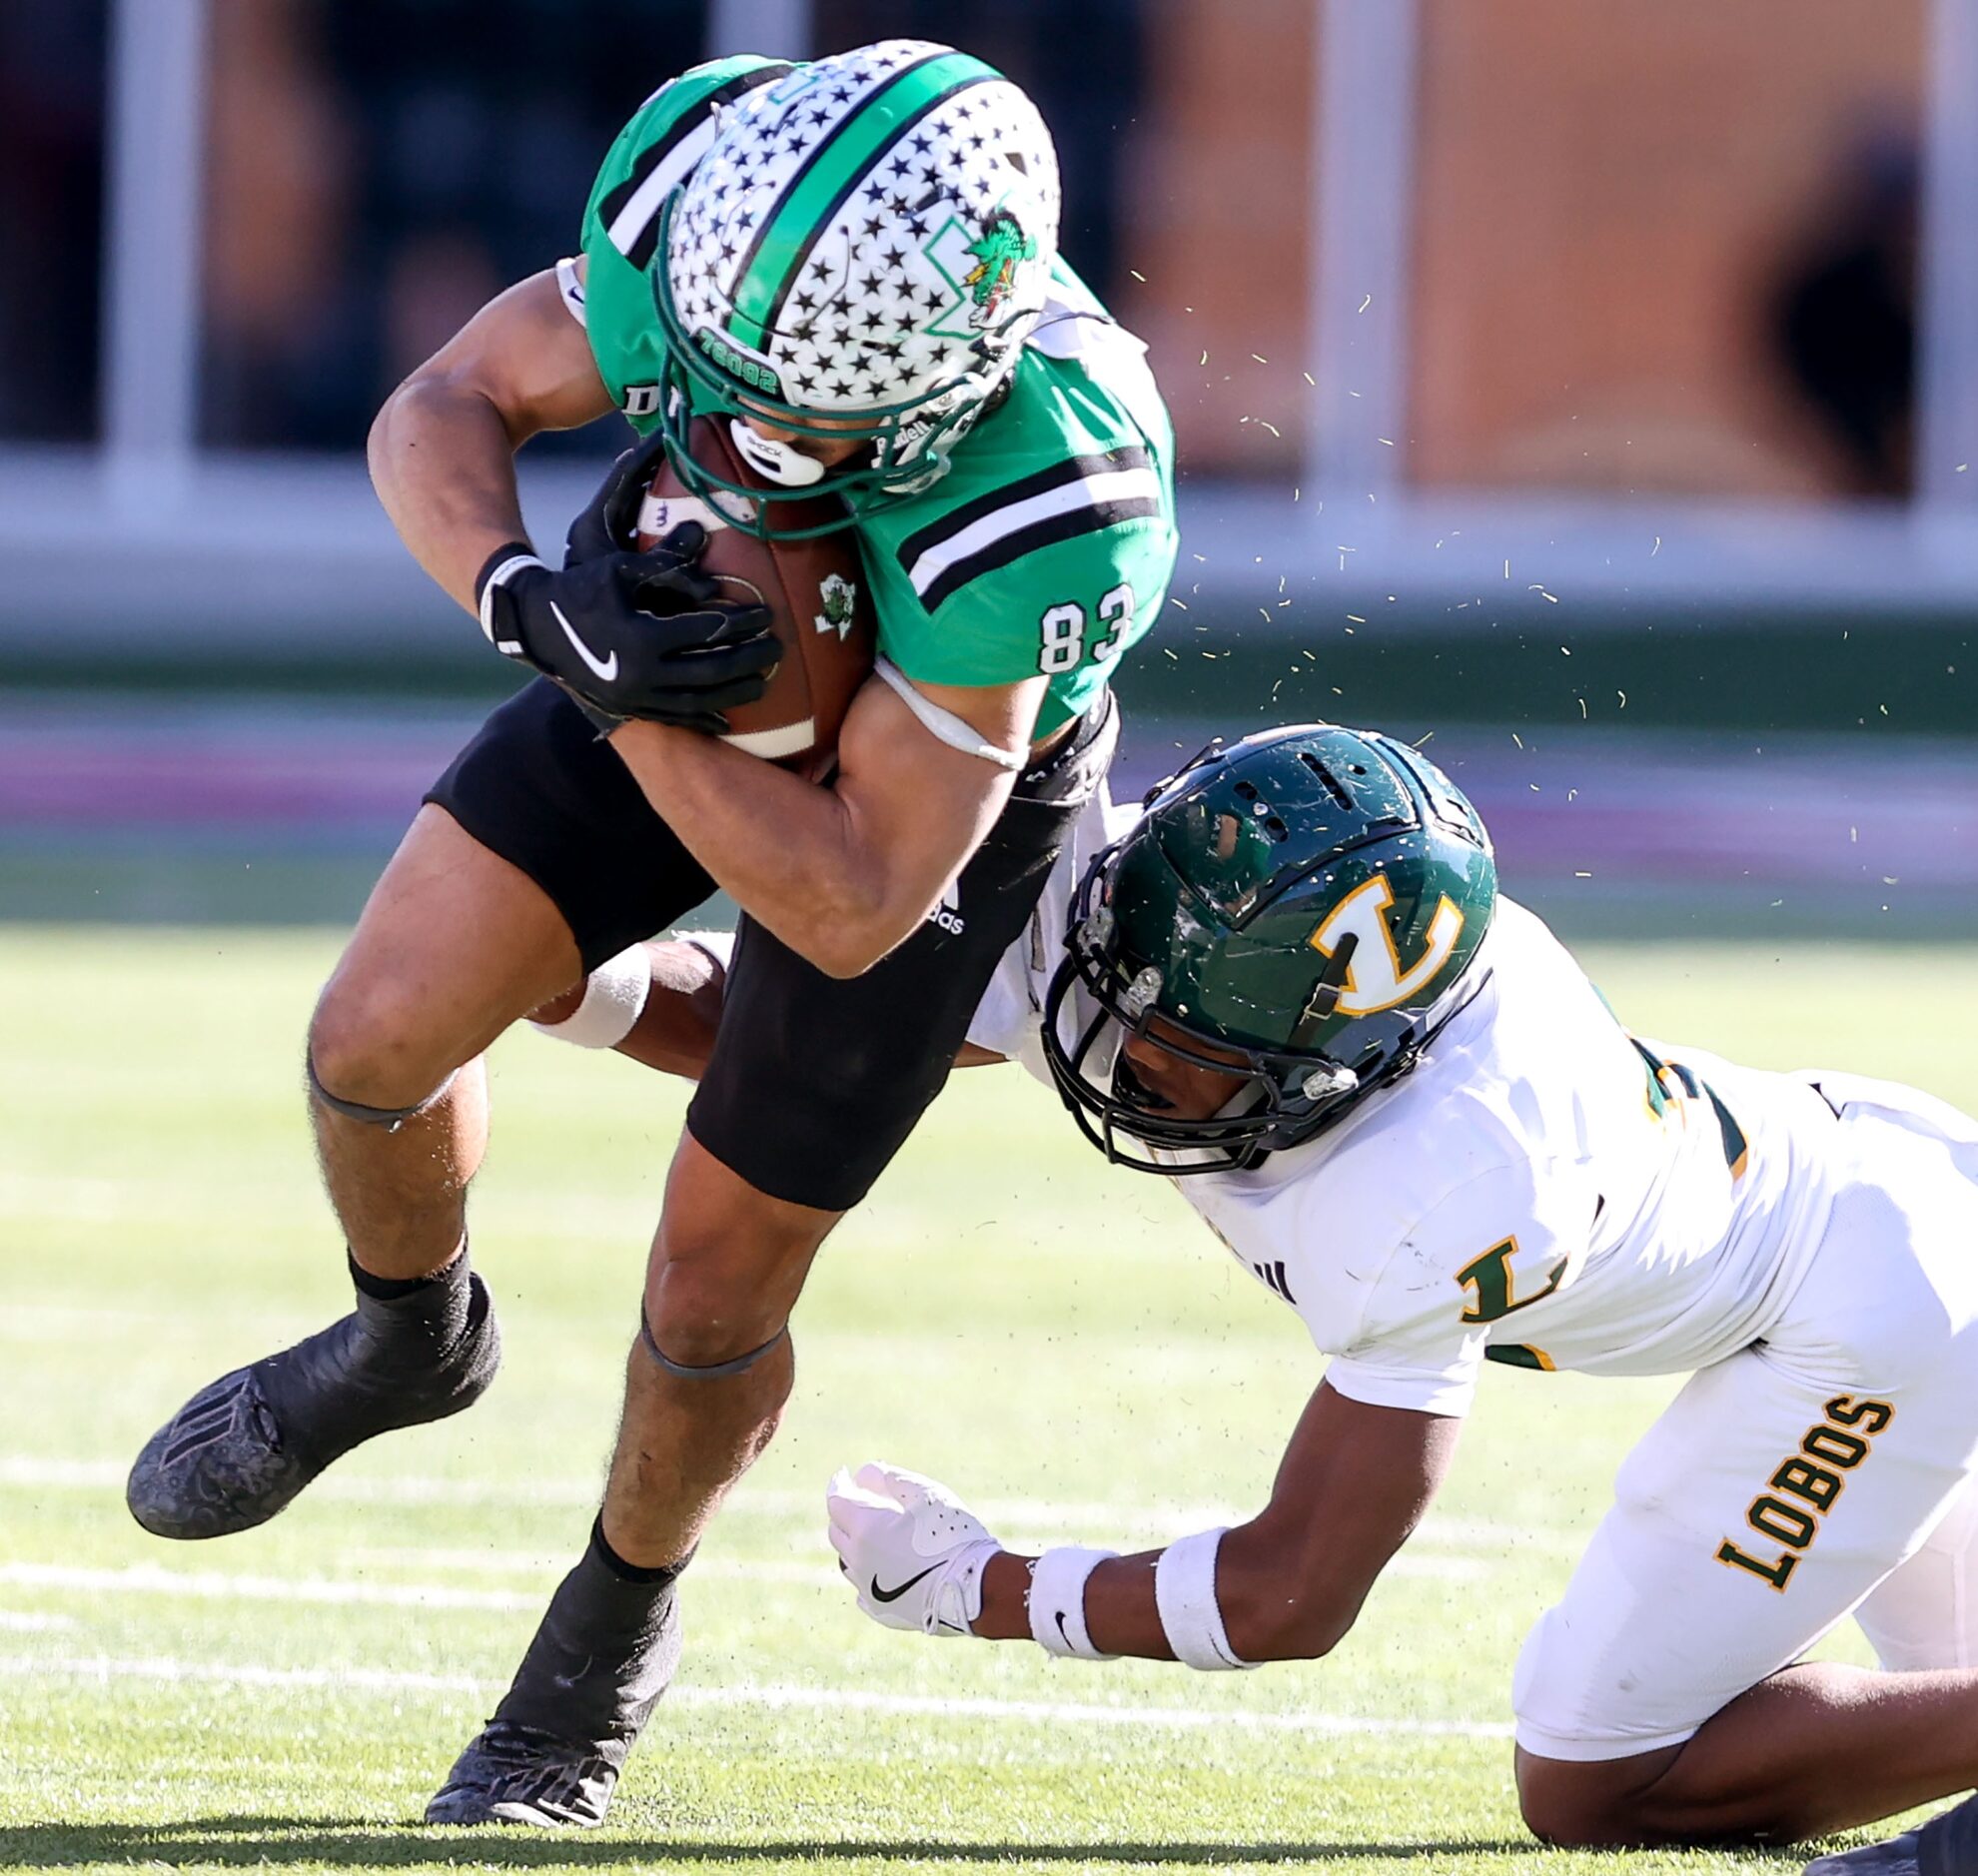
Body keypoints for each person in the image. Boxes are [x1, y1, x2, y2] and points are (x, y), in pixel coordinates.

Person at [125, 39, 1176, 1830]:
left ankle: (607, 1633)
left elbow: (851, 901)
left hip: (913, 773)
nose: (749, 438)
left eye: (807, 420)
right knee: (372, 1040)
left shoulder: (1048, 496)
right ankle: (408, 1332)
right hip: (677, 650)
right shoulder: (705, 198)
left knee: (709, 1285)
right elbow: (440, 402)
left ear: (944, 389)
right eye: (715, 380)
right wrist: (531, 598)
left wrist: (619, 703)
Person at [563, 724, 1978, 1870]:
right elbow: (826, 1041)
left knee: (1596, 1776)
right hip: (1858, 1199)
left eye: (1184, 1054)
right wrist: (572, 983)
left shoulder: (1448, 1172)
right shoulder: (1151, 914)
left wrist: (988, 1591)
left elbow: (1298, 1588)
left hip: (1861, 1316)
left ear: (1351, 1063)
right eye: (1124, 990)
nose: (1118, 1059)